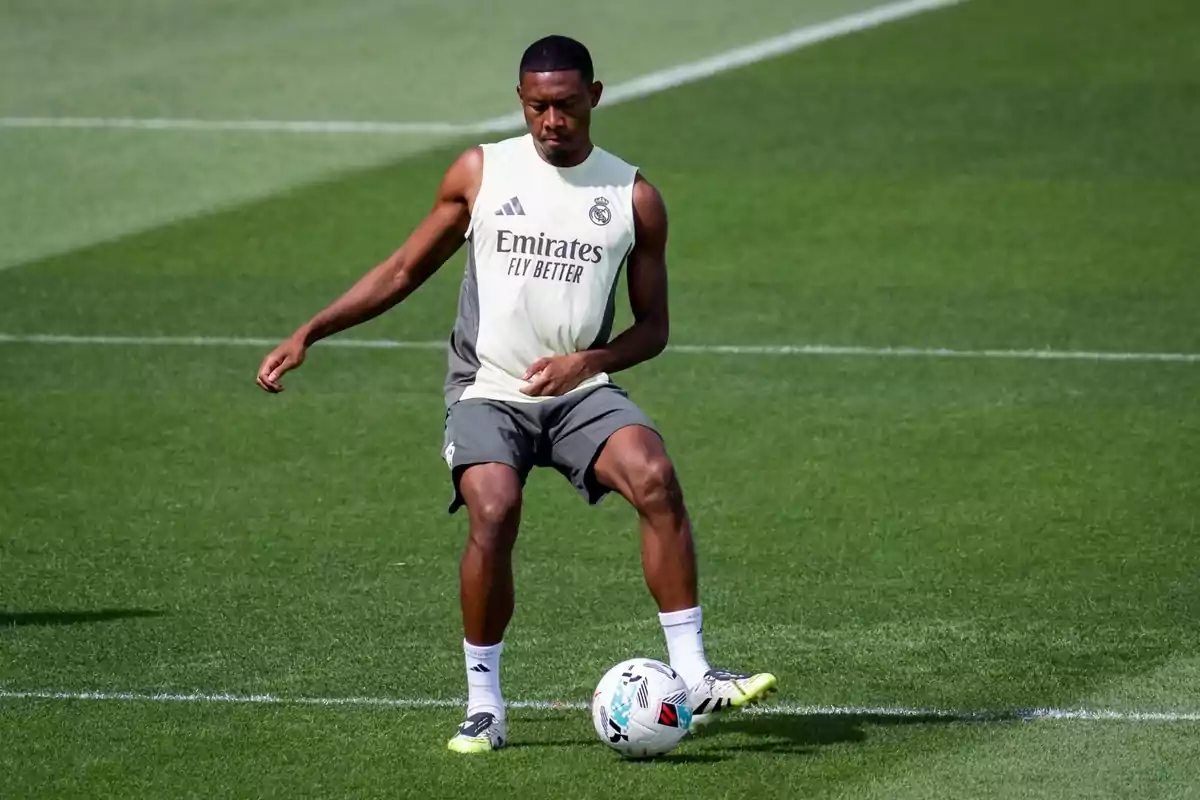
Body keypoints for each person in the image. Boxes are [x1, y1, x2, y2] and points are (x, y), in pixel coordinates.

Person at [256, 34, 776, 754]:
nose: (551, 121)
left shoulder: (632, 197)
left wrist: (585, 361)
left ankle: (692, 676)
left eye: (565, 105)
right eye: (537, 106)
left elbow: (653, 328)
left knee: (654, 475)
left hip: (578, 390)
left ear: (594, 96)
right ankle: (483, 704)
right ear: (521, 102)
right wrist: (311, 331)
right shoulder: (482, 171)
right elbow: (406, 268)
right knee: (494, 511)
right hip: (488, 389)